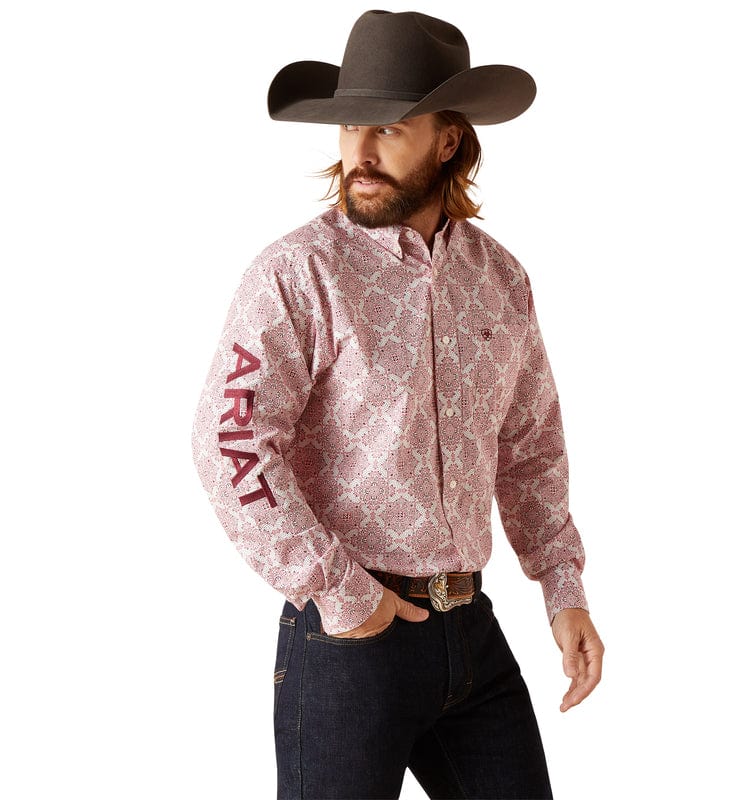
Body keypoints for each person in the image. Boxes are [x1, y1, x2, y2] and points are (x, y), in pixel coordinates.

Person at [192, 10, 604, 799]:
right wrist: (340, 591)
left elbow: (530, 446)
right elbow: (230, 441)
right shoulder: (297, 274)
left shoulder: (500, 278)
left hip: (472, 636)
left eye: (388, 128)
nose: (361, 152)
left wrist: (563, 591)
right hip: (349, 640)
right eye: (352, 126)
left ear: (447, 141)